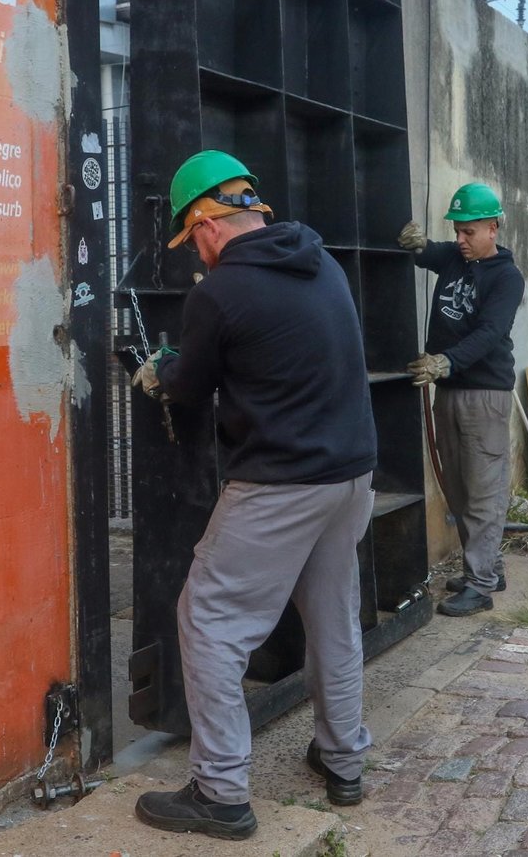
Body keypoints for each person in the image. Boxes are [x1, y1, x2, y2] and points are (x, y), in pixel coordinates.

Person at [130, 150, 377, 840]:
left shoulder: (220, 291)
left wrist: (158, 370)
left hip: (281, 483)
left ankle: (220, 792)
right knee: (332, 617)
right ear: (253, 206)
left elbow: (187, 386)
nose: (195, 256)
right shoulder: (319, 259)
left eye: (190, 241)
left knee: (208, 618)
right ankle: (343, 759)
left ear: (206, 223)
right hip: (351, 476)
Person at [399, 182, 525, 618]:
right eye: (457, 230)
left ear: (493, 228)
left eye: (469, 231)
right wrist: (415, 244)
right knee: (457, 484)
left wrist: (444, 363)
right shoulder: (455, 257)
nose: (460, 239)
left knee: (484, 489)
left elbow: (490, 335)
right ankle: (489, 565)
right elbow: (426, 251)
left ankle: (481, 585)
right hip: (448, 389)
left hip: (482, 394)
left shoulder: (507, 277)